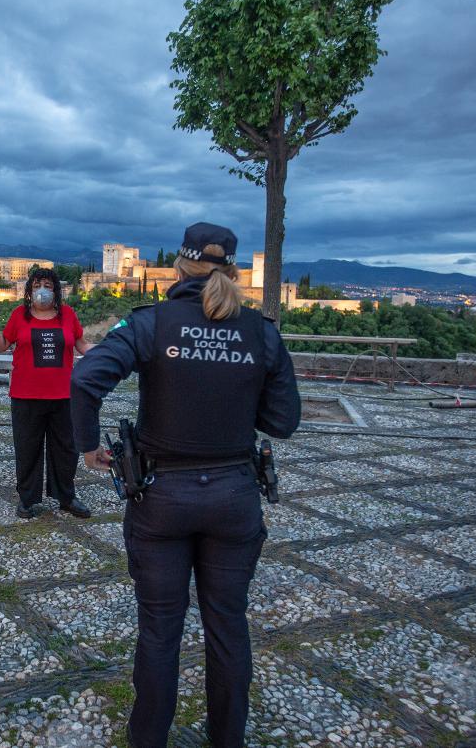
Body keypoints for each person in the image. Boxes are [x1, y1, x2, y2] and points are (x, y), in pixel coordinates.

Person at [70, 223, 301, 748]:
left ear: (179, 266)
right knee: (227, 626)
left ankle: (148, 739)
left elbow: (85, 379)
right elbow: (284, 421)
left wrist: (88, 449)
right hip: (234, 496)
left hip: (162, 499)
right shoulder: (260, 331)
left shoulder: (153, 323)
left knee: (159, 630)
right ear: (234, 270)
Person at [0, 269, 94, 519]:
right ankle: (28, 499)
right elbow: (1, 346)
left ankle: (66, 496)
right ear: (29, 290)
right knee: (28, 448)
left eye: (48, 285)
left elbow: (83, 346)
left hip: (63, 396)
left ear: (56, 290)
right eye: (38, 284)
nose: (43, 289)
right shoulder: (20, 315)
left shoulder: (68, 315)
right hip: (26, 395)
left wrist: (113, 348)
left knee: (66, 449)